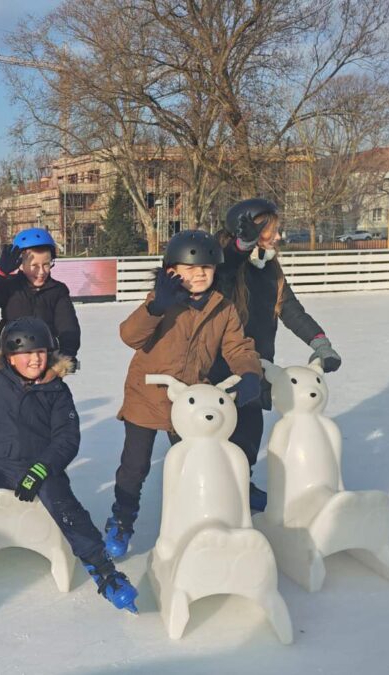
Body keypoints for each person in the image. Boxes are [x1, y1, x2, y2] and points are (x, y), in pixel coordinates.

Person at [0, 313, 138, 612]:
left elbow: (67, 439)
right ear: (9, 359)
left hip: (42, 470)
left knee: (67, 510)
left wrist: (41, 469)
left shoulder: (57, 391)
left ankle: (104, 571)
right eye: (25, 354)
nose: (35, 360)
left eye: (40, 352)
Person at [105, 230, 262, 558]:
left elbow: (237, 346)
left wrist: (249, 372)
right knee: (135, 466)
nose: (199, 274)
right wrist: (156, 309)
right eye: (190, 268)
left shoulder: (223, 308)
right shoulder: (160, 302)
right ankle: (121, 520)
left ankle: (204, 515)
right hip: (146, 396)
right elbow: (128, 336)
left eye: (206, 268)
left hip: (190, 401)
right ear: (171, 271)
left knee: (200, 461)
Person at [212, 199, 343, 511]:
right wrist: (239, 249)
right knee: (216, 435)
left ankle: (241, 486)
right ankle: (213, 492)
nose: (280, 237)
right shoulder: (222, 264)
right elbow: (222, 277)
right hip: (217, 367)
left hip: (256, 366)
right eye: (271, 231)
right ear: (249, 233)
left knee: (248, 435)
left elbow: (292, 310)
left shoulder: (270, 270)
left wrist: (320, 342)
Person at [0, 227, 81, 362]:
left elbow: (68, 328)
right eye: (35, 265)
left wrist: (64, 359)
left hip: (44, 361)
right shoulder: (11, 286)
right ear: (21, 264)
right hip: (11, 360)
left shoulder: (57, 291)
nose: (41, 272)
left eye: (46, 264)